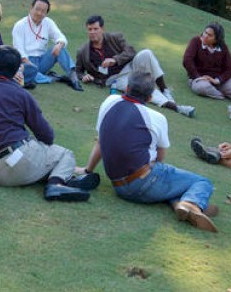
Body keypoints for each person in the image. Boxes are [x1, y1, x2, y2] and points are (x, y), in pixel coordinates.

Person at [0, 45, 100, 201]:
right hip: (18, 163)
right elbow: (47, 136)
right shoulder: (21, 94)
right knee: (65, 154)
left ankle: (66, 178)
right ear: (16, 71)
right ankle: (57, 184)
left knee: (36, 158)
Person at [76, 68, 218, 232]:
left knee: (169, 184)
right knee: (202, 182)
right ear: (150, 97)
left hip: (118, 186)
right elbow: (160, 159)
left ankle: (180, 204)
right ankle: (192, 203)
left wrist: (88, 170)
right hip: (142, 182)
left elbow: (101, 142)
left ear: (127, 88)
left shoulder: (109, 101)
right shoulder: (157, 118)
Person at [76, 15, 195, 117]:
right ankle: (176, 107)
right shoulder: (83, 51)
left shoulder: (115, 37)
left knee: (146, 53)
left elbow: (131, 51)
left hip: (129, 67)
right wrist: (83, 77)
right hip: (115, 80)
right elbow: (78, 71)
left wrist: (115, 60)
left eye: (95, 29)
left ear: (102, 29)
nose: (92, 32)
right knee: (141, 87)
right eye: (90, 29)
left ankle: (165, 90)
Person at [12, 0, 83, 91]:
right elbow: (19, 50)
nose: (39, 13)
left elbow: (61, 37)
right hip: (26, 62)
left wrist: (59, 45)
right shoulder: (20, 25)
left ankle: (73, 78)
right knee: (24, 72)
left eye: (43, 11)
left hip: (42, 61)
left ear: (46, 13)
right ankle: (56, 78)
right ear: (31, 8)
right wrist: (29, 65)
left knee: (60, 48)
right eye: (37, 9)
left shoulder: (48, 23)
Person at [183, 22, 231, 105]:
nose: (205, 36)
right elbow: (187, 60)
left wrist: (217, 80)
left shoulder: (223, 47)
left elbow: (230, 69)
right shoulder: (195, 41)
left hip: (219, 80)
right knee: (201, 88)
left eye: (210, 35)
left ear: (216, 39)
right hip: (199, 79)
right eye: (205, 32)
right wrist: (197, 76)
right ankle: (221, 95)